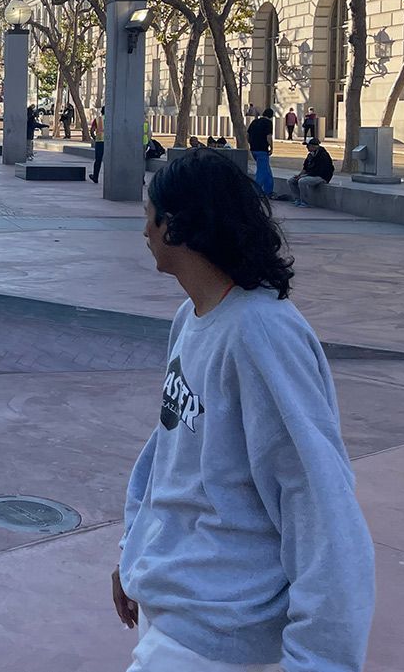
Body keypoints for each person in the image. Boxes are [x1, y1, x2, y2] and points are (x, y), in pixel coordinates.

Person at [114, 149, 373, 672]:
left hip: (217, 631)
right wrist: (132, 550)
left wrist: (319, 660)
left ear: (176, 227)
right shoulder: (193, 316)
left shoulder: (261, 335)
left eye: (150, 213)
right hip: (177, 602)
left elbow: (319, 502)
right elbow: (171, 451)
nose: (143, 229)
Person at [286, 136, 335, 207]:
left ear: (314, 146)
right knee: (291, 181)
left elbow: (320, 171)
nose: (307, 148)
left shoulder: (323, 155)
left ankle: (305, 202)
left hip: (322, 177)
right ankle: (298, 199)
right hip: (311, 175)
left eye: (308, 146)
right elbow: (305, 168)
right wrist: (299, 175)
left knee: (302, 181)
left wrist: (305, 176)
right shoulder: (310, 155)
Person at [247, 107, 275, 197]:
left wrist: (251, 143)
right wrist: (271, 147)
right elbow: (268, 137)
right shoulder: (268, 123)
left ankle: (268, 190)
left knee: (267, 171)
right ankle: (256, 191)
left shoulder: (254, 122)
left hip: (253, 149)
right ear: (270, 116)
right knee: (261, 172)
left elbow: (247, 135)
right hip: (262, 150)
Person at [89, 111, 104, 184]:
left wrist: (94, 137)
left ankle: (95, 177)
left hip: (100, 142)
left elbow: (92, 130)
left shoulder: (98, 119)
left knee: (98, 160)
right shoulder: (113, 119)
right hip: (110, 143)